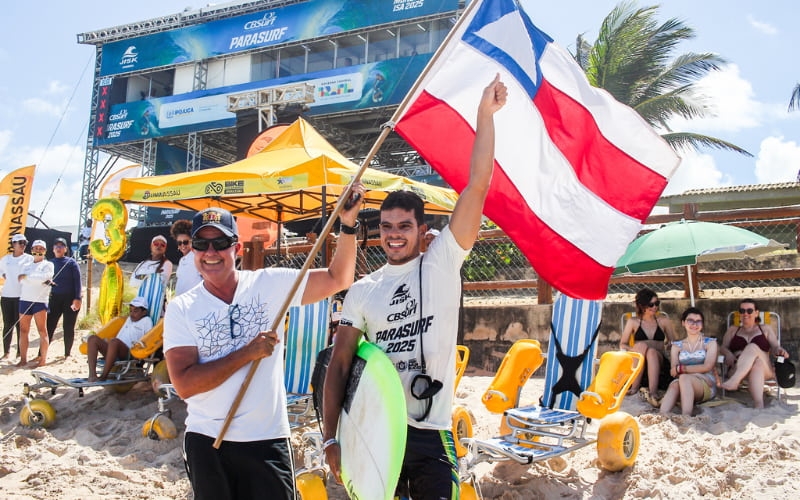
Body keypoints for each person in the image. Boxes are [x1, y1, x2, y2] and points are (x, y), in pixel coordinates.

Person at [322, 75, 507, 500]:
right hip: (374, 429)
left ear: (423, 232)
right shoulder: (363, 290)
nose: (393, 235)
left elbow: (477, 185)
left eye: (404, 226)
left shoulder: (442, 261)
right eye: (387, 226)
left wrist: (485, 115)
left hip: (430, 431)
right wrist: (331, 436)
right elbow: (340, 365)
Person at [163, 183, 363, 500]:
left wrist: (348, 224)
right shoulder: (181, 308)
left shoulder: (269, 284)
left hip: (267, 437)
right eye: (201, 244)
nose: (211, 252)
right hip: (208, 438)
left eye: (221, 243)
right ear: (192, 251)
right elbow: (186, 385)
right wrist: (247, 353)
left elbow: (338, 278)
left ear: (237, 248)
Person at [719, 298, 789, 408]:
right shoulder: (733, 329)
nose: (745, 314)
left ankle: (735, 380)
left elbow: (775, 346)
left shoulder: (765, 329)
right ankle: (759, 404)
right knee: (757, 363)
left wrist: (780, 350)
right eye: (742, 311)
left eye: (749, 311)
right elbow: (723, 347)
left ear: (756, 313)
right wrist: (728, 354)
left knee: (752, 348)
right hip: (737, 367)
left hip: (765, 370)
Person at [619, 288, 676, 406]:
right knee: (642, 346)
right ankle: (635, 387)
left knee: (651, 352)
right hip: (639, 363)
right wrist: (634, 349)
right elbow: (622, 344)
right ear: (642, 306)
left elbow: (674, 341)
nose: (655, 307)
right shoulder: (633, 322)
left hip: (659, 363)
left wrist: (669, 345)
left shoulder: (663, 321)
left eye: (657, 303)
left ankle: (653, 392)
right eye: (651, 304)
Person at [659, 308, 718, 416]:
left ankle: (686, 416)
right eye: (690, 320)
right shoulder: (677, 346)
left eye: (698, 321)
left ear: (702, 324)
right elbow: (673, 371)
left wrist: (683, 369)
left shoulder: (710, 343)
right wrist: (697, 374)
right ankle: (662, 415)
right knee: (675, 384)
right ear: (683, 323)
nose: (694, 324)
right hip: (685, 383)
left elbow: (707, 366)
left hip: (706, 383)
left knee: (684, 378)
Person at [86, 296, 154, 382]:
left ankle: (104, 376)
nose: (132, 313)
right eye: (130, 310)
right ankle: (92, 375)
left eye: (135, 311)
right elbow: (120, 336)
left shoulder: (147, 321)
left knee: (114, 342)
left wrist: (141, 355)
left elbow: (148, 340)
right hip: (114, 349)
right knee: (92, 339)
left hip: (129, 352)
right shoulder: (129, 320)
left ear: (144, 312)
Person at [17, 240, 54, 367]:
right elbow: (20, 280)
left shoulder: (48, 264)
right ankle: (23, 359)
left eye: (41, 248)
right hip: (25, 299)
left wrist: (28, 277)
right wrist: (35, 278)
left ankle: (43, 360)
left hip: (40, 301)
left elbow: (45, 277)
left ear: (45, 251)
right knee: (23, 330)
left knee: (42, 330)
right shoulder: (26, 265)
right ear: (32, 249)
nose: (38, 250)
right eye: (36, 248)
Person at [46, 237, 82, 358]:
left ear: (65, 249)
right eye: (56, 246)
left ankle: (67, 353)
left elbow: (78, 282)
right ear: (53, 249)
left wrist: (77, 298)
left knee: (68, 326)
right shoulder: (49, 263)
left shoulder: (71, 262)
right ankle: (42, 353)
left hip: (70, 298)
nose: (58, 248)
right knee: (49, 325)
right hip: (54, 298)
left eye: (61, 246)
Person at [1, 234, 33, 359]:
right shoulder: (6, 259)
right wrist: (4, 276)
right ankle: (6, 352)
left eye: (24, 242)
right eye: (20, 242)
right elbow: (1, 272)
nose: (23, 245)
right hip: (7, 295)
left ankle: (20, 352)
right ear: (13, 244)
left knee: (21, 326)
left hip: (22, 296)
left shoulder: (29, 258)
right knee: (7, 324)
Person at [129, 234, 173, 320]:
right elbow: (132, 282)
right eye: (156, 244)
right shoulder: (142, 264)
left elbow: (160, 283)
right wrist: (151, 276)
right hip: (138, 308)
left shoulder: (167, 264)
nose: (159, 246)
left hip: (156, 309)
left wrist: (141, 277)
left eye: (162, 245)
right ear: (151, 246)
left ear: (165, 248)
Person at [170, 219, 203, 295]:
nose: (182, 245)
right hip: (181, 300)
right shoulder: (182, 260)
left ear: (192, 241)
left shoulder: (197, 257)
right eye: (179, 243)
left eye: (185, 242)